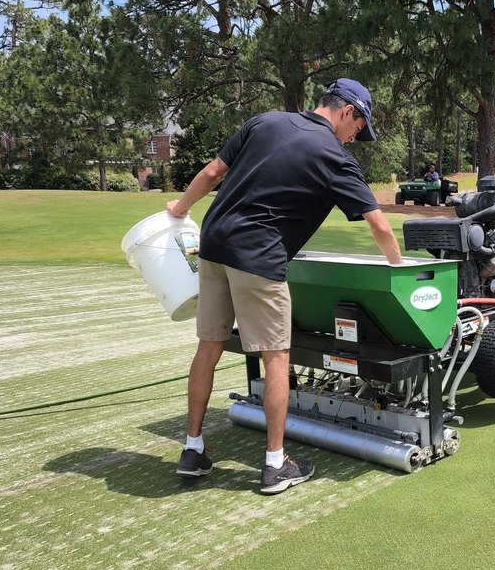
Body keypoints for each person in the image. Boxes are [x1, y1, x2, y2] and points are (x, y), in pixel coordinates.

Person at [165, 79, 403, 494]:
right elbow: (379, 224)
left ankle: (192, 448)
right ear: (347, 111)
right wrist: (398, 268)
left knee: (209, 346)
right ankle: (275, 465)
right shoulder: (335, 156)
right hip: (259, 256)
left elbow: (213, 172)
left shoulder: (265, 121)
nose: (355, 137)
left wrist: (180, 207)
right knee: (276, 356)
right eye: (358, 128)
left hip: (213, 248)